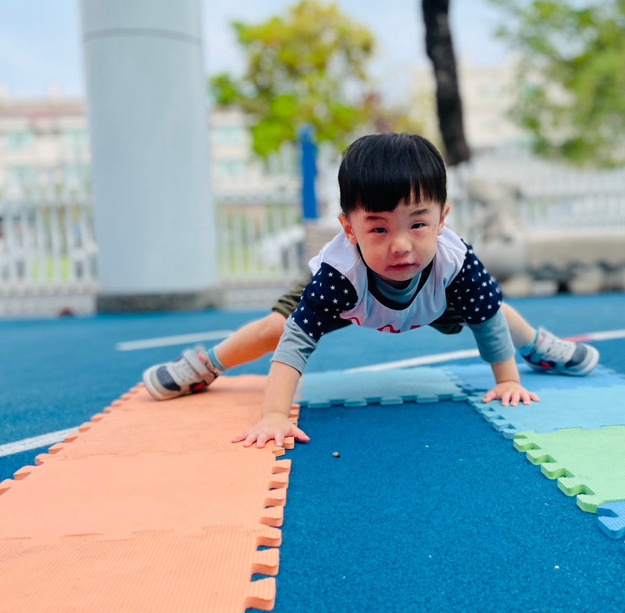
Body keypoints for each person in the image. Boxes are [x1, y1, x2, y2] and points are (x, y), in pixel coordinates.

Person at [142, 133, 599, 447]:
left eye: (418, 224)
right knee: (275, 328)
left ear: (442, 219)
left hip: (431, 297)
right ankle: (206, 365)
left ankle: (538, 347)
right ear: (349, 229)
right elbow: (296, 343)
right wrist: (275, 415)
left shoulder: (454, 262)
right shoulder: (337, 276)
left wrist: (507, 381)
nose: (400, 245)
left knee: (494, 310)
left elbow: (487, 320)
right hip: (355, 297)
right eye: (378, 228)